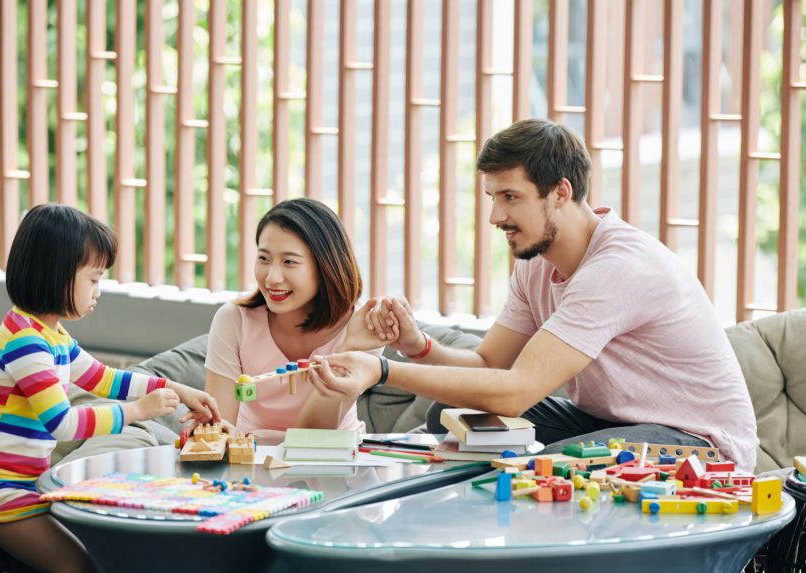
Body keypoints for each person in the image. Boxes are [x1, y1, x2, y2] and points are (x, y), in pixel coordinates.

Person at [307, 118, 759, 471]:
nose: (495, 216)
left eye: (509, 197)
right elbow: (491, 367)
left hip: (701, 445)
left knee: (559, 464)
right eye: (491, 197)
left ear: (560, 192)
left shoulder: (618, 266)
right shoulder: (536, 264)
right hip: (616, 426)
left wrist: (381, 371)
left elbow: (514, 393)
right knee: (454, 412)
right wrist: (417, 348)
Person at [0, 204, 221, 573]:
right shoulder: (24, 342)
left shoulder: (51, 334)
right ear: (56, 275)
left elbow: (103, 378)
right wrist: (138, 411)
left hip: (22, 485)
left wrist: (174, 387)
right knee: (79, 566)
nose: (99, 290)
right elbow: (60, 423)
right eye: (93, 279)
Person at [203, 198, 396, 441]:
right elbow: (218, 431)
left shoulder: (361, 328)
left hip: (334, 460)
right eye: (264, 258)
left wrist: (350, 348)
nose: (272, 278)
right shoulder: (233, 320)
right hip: (249, 456)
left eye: (289, 262)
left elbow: (314, 437)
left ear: (325, 266)